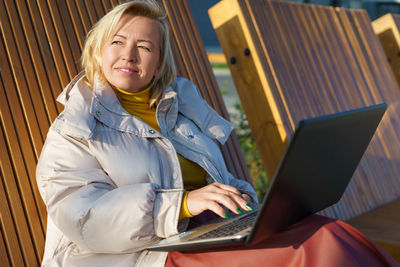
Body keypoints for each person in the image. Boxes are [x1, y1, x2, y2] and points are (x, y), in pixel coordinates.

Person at [36, 1, 399, 266]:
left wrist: (246, 202)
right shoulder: (75, 128)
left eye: (144, 47)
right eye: (117, 42)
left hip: (201, 235)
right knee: (310, 252)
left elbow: (216, 183)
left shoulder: (178, 111)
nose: (129, 54)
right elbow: (83, 218)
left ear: (159, 62)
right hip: (135, 255)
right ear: (98, 52)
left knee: (328, 231)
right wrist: (183, 204)